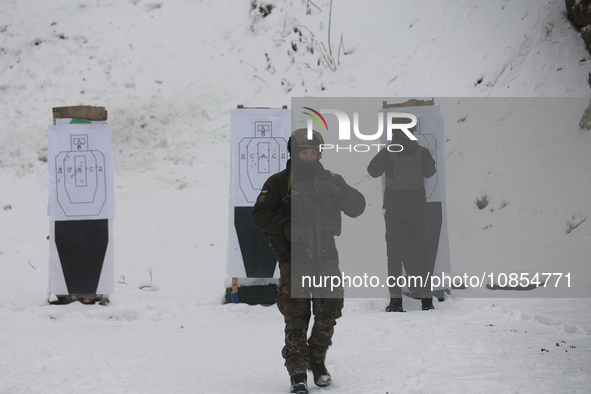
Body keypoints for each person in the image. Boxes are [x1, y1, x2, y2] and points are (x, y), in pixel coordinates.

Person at [252, 128, 365, 394]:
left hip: (327, 256)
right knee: (296, 317)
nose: (310, 157)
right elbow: (259, 214)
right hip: (295, 259)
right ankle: (298, 372)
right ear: (293, 152)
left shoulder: (330, 179)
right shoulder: (280, 182)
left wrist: (338, 190)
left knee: (330, 309)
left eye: (314, 152)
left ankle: (316, 358)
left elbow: (358, 207)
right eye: (304, 152)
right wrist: (286, 226)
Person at [367, 129, 436, 312]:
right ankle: (427, 300)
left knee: (394, 257)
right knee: (423, 254)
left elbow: (372, 171)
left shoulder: (388, 153)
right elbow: (430, 172)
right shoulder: (422, 152)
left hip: (394, 212)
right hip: (418, 211)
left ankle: (396, 301)